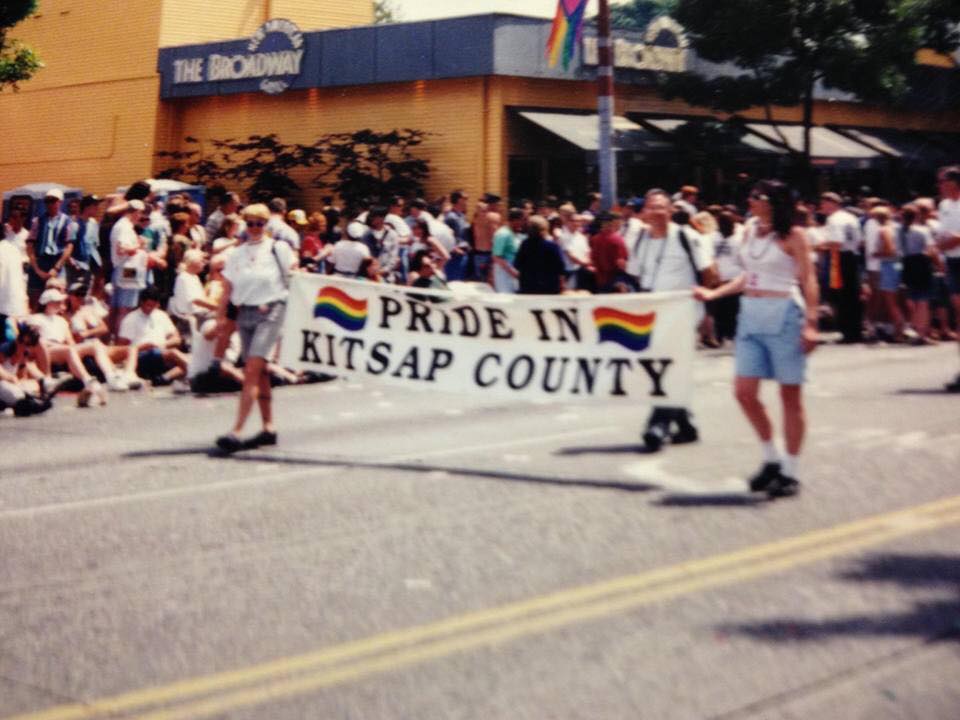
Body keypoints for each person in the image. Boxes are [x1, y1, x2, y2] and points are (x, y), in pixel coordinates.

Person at [695, 180, 819, 498]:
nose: (750, 200)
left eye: (757, 196)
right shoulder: (749, 230)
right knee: (744, 392)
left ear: (774, 202)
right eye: (750, 195)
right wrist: (715, 292)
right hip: (750, 313)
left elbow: (808, 279)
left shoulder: (794, 235)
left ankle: (790, 471)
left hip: (784, 314)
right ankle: (771, 458)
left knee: (790, 396)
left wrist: (811, 323)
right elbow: (747, 275)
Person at [214, 203, 297, 453]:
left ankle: (236, 430)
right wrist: (221, 317)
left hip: (271, 310)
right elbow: (228, 288)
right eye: (250, 223)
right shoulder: (237, 253)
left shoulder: (277, 248)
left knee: (251, 369)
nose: (254, 228)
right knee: (259, 373)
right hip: (245, 312)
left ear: (266, 225)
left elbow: (293, 275)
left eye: (259, 223)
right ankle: (268, 427)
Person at [634, 190, 711, 452]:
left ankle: (658, 424)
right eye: (651, 207)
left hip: (683, 313)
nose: (656, 212)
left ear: (670, 211)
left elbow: (709, 273)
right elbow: (635, 276)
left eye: (661, 207)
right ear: (644, 212)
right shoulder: (640, 240)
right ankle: (686, 425)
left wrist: (707, 311)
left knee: (665, 367)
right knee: (662, 367)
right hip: (652, 314)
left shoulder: (685, 236)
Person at [118, 286, 190, 391]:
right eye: (147, 305)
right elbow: (121, 347)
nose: (150, 308)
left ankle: (162, 378)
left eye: (153, 306)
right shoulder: (130, 319)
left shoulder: (162, 315)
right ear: (141, 302)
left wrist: (162, 344)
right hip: (141, 355)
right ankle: (196, 374)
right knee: (174, 354)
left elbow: (176, 339)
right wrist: (141, 347)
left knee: (181, 360)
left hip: (161, 351)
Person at [819, 192, 864, 343]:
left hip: (840, 257)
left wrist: (817, 246)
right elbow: (859, 241)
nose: (822, 206)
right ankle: (855, 330)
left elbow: (836, 242)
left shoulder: (833, 219)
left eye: (825, 203)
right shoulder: (851, 217)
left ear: (833, 203)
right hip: (852, 256)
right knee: (852, 295)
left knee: (842, 296)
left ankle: (848, 332)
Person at [26, 188, 77, 310]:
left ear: (60, 202)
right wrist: (37, 269)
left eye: (53, 201)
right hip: (40, 262)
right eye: (47, 201)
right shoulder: (37, 221)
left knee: (58, 300)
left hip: (57, 262)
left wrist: (57, 267)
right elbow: (30, 246)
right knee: (35, 300)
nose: (50, 204)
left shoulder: (68, 221)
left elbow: (69, 246)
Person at [898, 203, 938, 345]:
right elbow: (931, 250)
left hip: (907, 263)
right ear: (917, 215)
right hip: (921, 263)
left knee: (912, 300)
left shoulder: (900, 231)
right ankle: (922, 334)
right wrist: (938, 264)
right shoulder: (922, 230)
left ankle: (915, 330)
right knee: (923, 302)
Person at [935, 167, 960, 390]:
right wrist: (940, 247)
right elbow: (942, 235)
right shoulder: (943, 206)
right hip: (953, 263)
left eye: (942, 181)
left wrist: (958, 239)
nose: (939, 185)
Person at [868, 206, 906, 342]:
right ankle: (900, 328)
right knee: (899, 299)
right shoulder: (898, 227)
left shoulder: (883, 230)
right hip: (900, 264)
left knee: (891, 302)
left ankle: (899, 332)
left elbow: (891, 250)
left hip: (889, 265)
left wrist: (876, 253)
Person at [513, 215, 566, 294]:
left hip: (528, 286)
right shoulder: (552, 246)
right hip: (549, 287)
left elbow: (517, 264)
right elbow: (561, 267)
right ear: (544, 230)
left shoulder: (524, 245)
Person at [491, 208, 524, 293]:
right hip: (504, 272)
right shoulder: (503, 234)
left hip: (512, 271)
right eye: (521, 220)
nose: (523, 223)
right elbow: (496, 257)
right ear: (515, 220)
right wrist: (512, 272)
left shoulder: (512, 233)